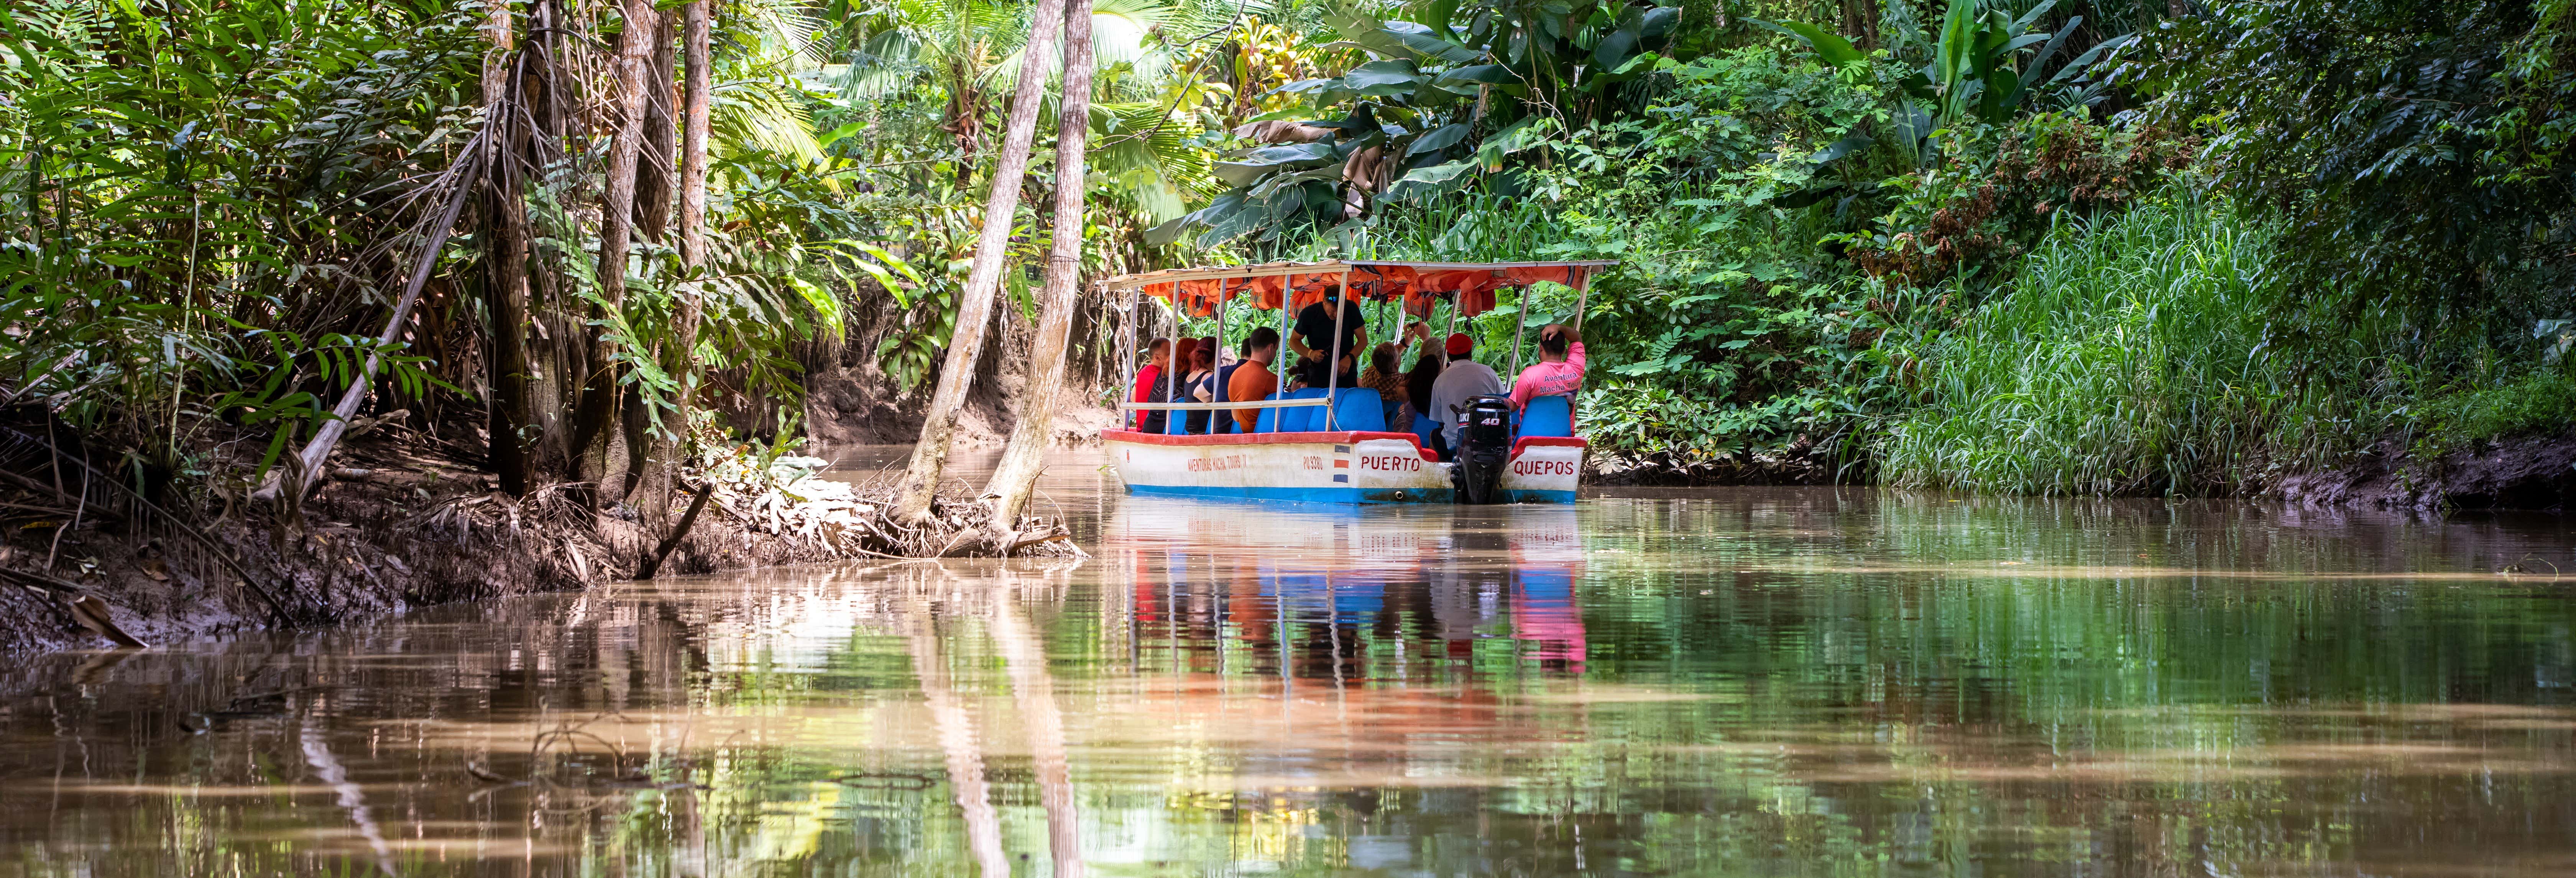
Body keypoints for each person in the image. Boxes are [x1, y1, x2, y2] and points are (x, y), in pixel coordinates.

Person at [1425, 332, 1501, 457]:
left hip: (1455, 442)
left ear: (1449, 356)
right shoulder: (1489, 372)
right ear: (1471, 353)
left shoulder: (1441, 380)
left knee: (1434, 434)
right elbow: (1503, 401)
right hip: (1488, 438)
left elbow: (1438, 418)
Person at [1288, 286, 1366, 389]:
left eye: (1341, 311)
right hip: (1319, 376)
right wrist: (1310, 354)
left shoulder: (1352, 309)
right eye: (1333, 310)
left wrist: (1350, 358)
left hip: (1346, 373)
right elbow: (1293, 341)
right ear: (1324, 302)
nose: (1337, 315)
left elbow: (1363, 340)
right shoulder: (1309, 314)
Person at [1510, 323, 1585, 413]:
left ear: (1541, 348)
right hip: (1565, 427)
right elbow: (1577, 339)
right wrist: (1560, 328)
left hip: (1533, 427)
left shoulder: (1530, 375)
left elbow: (1511, 407)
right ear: (1565, 350)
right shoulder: (1576, 368)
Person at [1226, 327, 1281, 432]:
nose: (1275, 355)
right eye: (1276, 349)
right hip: (1267, 435)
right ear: (1270, 348)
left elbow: (1236, 418)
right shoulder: (1270, 379)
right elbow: (1283, 414)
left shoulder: (1235, 375)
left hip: (1246, 437)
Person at [1362, 342, 1414, 430]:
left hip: (1370, 426)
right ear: (1397, 363)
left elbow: (1383, 360)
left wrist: (1406, 343)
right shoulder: (1404, 383)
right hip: (1393, 428)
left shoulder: (1368, 374)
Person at [1131, 337, 1171, 432]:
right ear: (1157, 358)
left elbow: (1133, 398)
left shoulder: (1143, 372)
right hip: (1155, 429)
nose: (1174, 357)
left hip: (1142, 428)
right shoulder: (1164, 376)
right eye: (1169, 354)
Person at [1180, 345, 1218, 433]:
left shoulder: (1190, 376)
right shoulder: (1209, 376)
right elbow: (1210, 400)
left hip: (1191, 429)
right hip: (1204, 429)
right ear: (1213, 359)